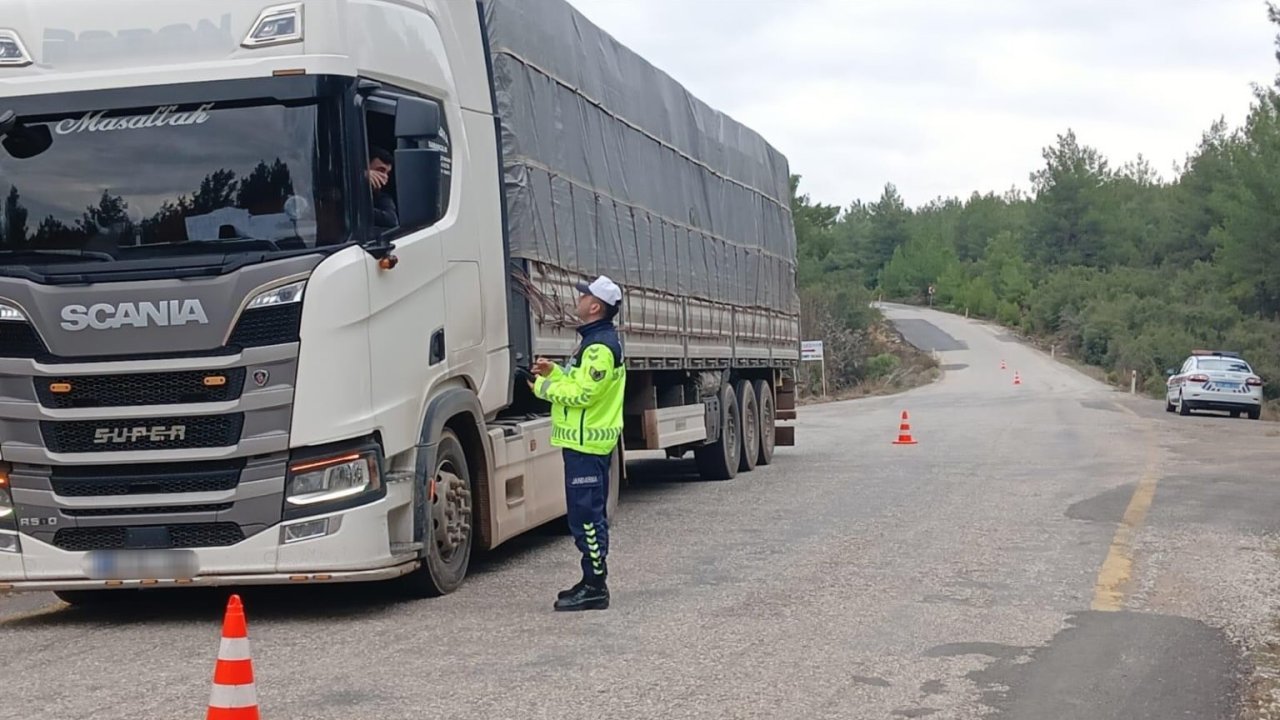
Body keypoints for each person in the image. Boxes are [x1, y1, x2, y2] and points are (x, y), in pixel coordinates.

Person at [530, 275, 627, 612]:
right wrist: (554, 373)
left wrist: (542, 389)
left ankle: (596, 587)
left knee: (587, 517)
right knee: (583, 516)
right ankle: (590, 580)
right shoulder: (592, 342)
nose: (579, 298)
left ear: (595, 306)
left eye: (584, 295)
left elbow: (585, 394)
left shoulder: (600, 347)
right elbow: (576, 381)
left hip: (589, 446)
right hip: (581, 445)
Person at [367, 146, 399, 229]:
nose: (385, 177)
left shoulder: (382, 197)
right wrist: (361, 177)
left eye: (387, 173)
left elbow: (391, 220)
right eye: (380, 170)